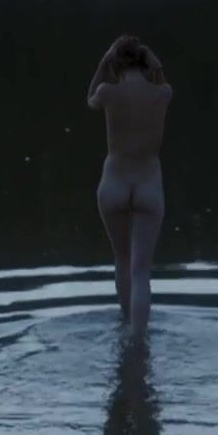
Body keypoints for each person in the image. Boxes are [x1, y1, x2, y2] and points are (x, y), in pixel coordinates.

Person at [87, 35, 172, 334]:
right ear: (146, 63)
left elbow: (89, 98)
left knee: (122, 259)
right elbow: (160, 81)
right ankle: (139, 340)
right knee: (140, 270)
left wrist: (104, 60)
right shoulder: (162, 92)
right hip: (148, 185)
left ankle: (125, 326)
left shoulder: (107, 92)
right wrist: (155, 65)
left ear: (115, 63)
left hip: (114, 184)